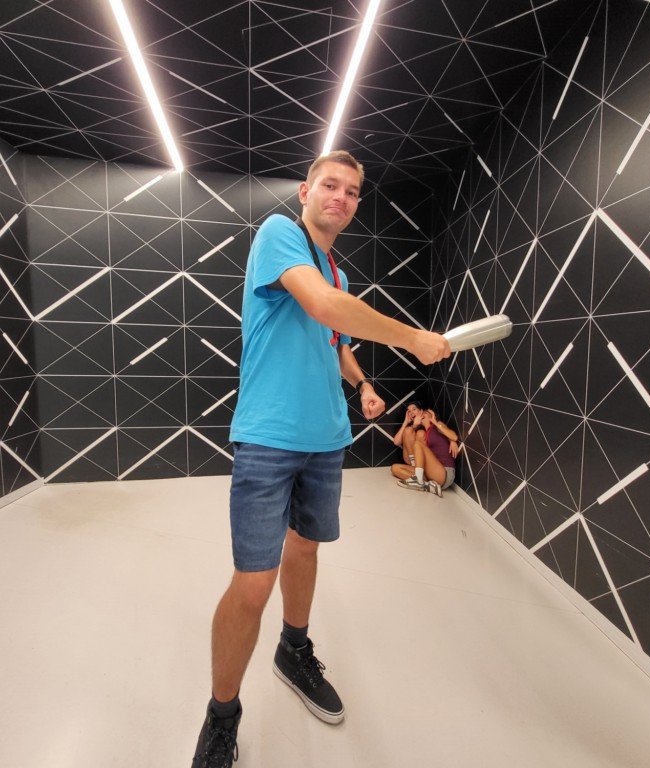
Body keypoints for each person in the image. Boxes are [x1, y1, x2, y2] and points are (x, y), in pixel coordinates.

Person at [191, 150, 452, 768]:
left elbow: (334, 338)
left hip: (326, 438)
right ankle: (221, 717)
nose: (342, 197)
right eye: (330, 185)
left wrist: (361, 383)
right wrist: (412, 338)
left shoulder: (336, 272)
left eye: (353, 191)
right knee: (253, 584)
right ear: (306, 192)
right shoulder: (279, 234)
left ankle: (294, 649)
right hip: (269, 435)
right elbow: (324, 308)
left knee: (305, 549)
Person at [391, 408, 459, 497]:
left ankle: (418, 481)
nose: (422, 414)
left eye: (425, 412)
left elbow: (454, 437)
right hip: (432, 473)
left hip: (445, 472)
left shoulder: (437, 425)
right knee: (395, 468)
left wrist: (435, 423)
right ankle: (427, 485)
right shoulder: (424, 433)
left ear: (433, 416)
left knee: (417, 444)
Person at [392, 401, 424, 468]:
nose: (411, 412)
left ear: (421, 411)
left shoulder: (426, 422)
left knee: (417, 432)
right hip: (411, 461)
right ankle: (414, 465)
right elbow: (396, 442)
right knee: (394, 467)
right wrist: (405, 422)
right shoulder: (409, 428)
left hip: (424, 460)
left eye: (414, 409)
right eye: (409, 411)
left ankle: (417, 468)